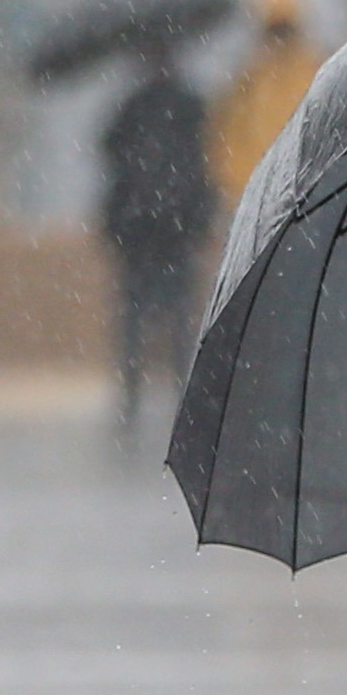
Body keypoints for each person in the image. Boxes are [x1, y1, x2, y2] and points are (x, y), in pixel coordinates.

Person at [97, 37, 217, 442]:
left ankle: (132, 386)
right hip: (177, 222)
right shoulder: (192, 103)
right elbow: (208, 159)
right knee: (180, 308)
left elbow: (107, 150)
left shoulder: (130, 105)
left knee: (135, 308)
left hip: (138, 224)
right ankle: (183, 386)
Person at [210, 0, 324, 216]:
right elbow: (227, 139)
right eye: (276, 28)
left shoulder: (316, 70)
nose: (280, 37)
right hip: (265, 197)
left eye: (285, 27)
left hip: (300, 194)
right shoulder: (249, 78)